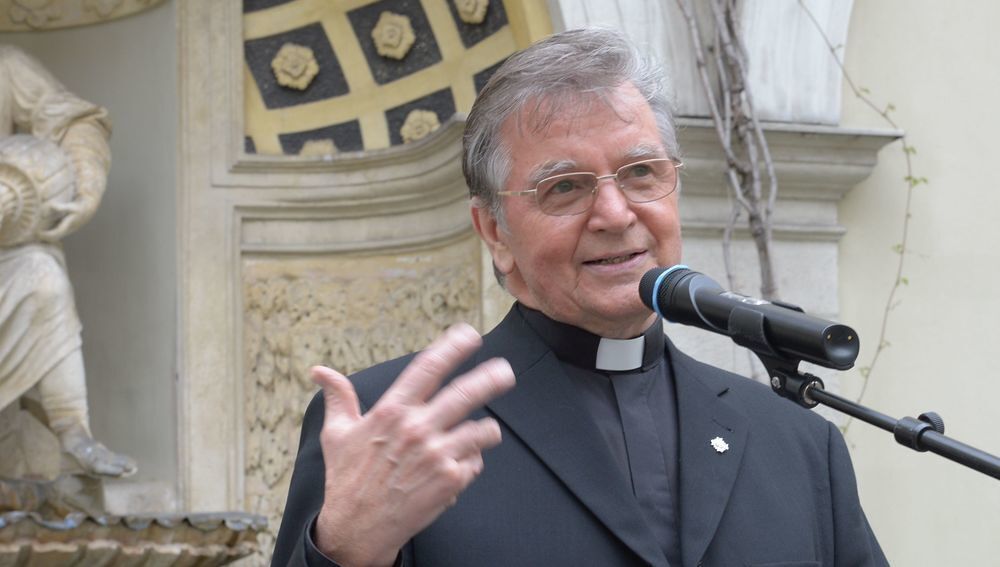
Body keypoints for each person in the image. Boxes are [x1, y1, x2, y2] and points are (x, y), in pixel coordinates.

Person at [272, 28, 887, 566]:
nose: (615, 214)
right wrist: (346, 551)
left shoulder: (797, 443)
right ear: (494, 232)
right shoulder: (389, 432)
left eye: (641, 172)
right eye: (565, 187)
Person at [0, 45, 136, 478]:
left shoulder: (5, 67)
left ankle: (73, 430)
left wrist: (86, 189)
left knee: (44, 278)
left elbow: (75, 122)